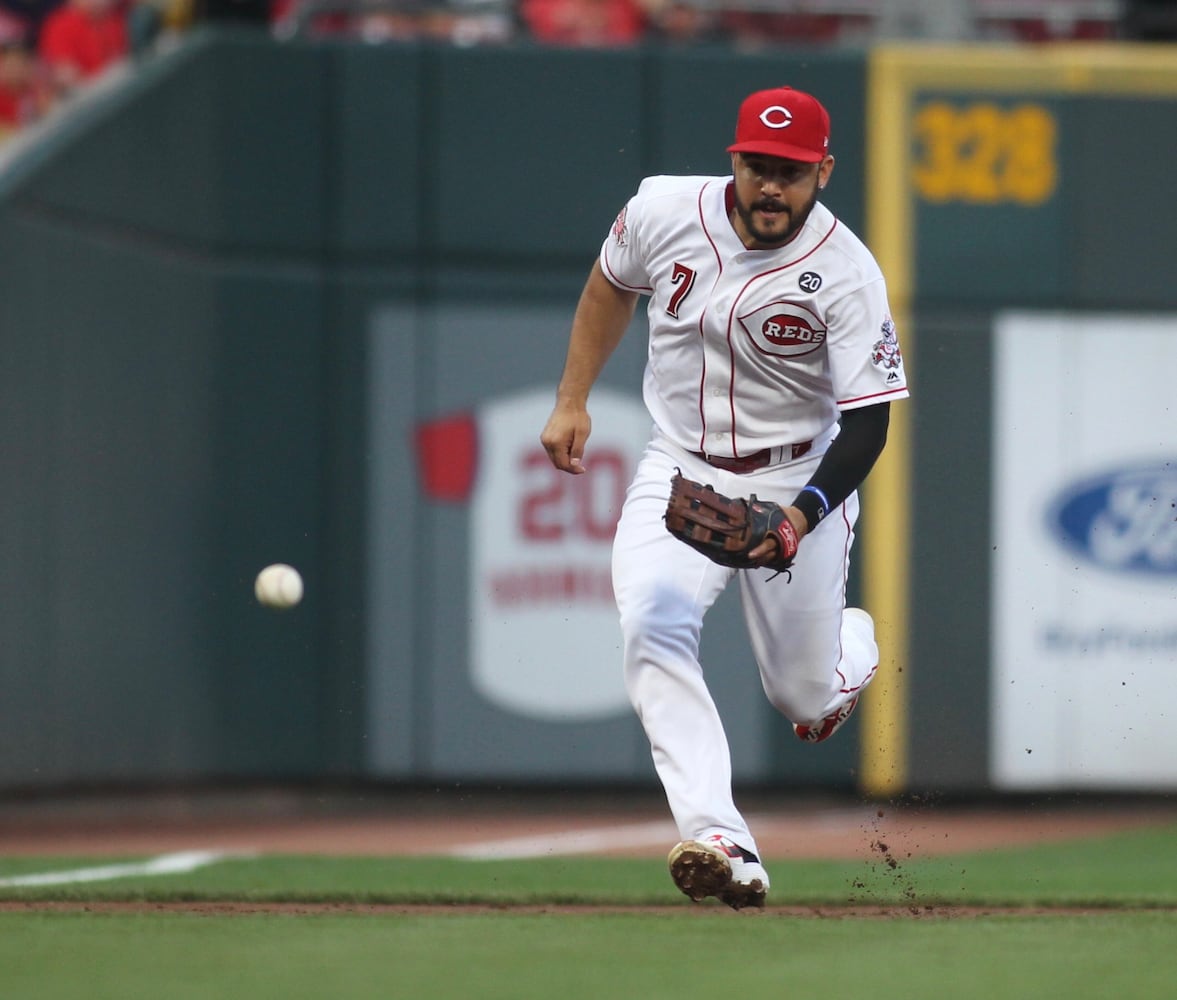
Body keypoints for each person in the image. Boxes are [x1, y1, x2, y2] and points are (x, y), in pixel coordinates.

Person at [540, 86, 909, 910]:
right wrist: (572, 399)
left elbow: (867, 427)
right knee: (652, 622)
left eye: (790, 170)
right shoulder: (664, 211)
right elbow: (609, 285)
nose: (770, 186)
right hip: (679, 463)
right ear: (732, 160)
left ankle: (849, 651)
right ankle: (721, 838)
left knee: (802, 698)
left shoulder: (846, 273)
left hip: (797, 474)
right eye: (757, 166)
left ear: (823, 171)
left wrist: (797, 518)